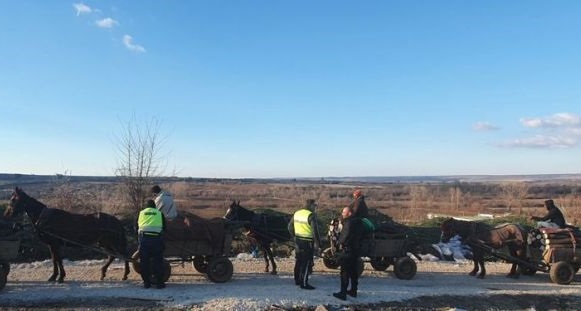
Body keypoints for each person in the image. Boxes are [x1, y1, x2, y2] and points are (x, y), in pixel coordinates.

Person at [287, 199, 321, 290]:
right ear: (311, 206)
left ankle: (297, 280)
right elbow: (315, 232)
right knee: (306, 263)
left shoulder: (297, 213)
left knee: (298, 261)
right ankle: (304, 283)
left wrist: (295, 236)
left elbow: (289, 227)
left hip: (298, 241)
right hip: (308, 242)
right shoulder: (311, 215)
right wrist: (318, 245)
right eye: (314, 206)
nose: (315, 208)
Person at [333, 206, 364, 300]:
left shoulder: (348, 223)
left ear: (349, 213)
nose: (342, 214)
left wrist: (338, 242)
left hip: (348, 250)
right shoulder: (359, 222)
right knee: (353, 271)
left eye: (344, 212)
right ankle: (353, 291)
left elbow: (344, 236)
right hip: (356, 250)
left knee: (344, 272)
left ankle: (343, 293)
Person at [137, 199, 166, 289]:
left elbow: (136, 226)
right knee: (158, 261)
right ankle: (159, 284)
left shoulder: (141, 213)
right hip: (156, 240)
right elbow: (164, 227)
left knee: (144, 262)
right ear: (154, 206)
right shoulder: (159, 213)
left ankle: (146, 283)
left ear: (146, 206)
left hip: (144, 240)